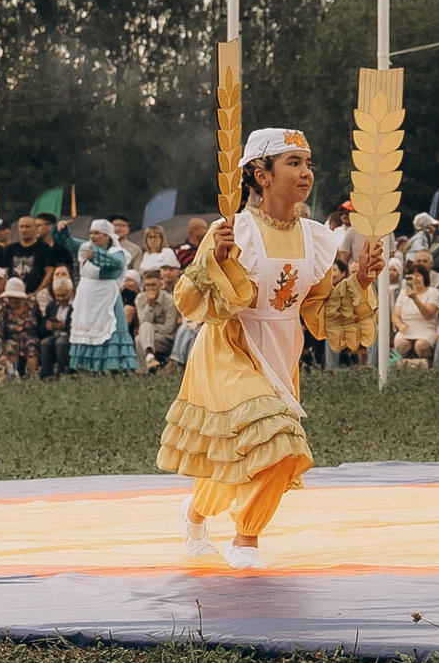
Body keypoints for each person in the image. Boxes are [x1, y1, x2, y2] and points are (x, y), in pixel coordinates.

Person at [160, 127, 380, 568]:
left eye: (308, 164)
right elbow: (191, 300)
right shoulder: (233, 230)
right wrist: (217, 260)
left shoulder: (317, 238)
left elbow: (318, 312)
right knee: (282, 442)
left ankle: (196, 513)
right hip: (229, 348)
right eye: (293, 163)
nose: (306, 173)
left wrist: (359, 281)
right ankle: (245, 541)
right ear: (261, 175)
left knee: (243, 451)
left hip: (281, 349)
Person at [67, 219, 141, 374]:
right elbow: (71, 243)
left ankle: (114, 367)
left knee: (110, 330)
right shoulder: (87, 247)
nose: (92, 236)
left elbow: (115, 264)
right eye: (91, 233)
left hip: (107, 297)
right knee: (88, 330)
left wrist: (96, 255)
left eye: (97, 233)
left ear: (107, 236)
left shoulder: (117, 252)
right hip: (87, 299)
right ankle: (88, 367)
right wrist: (63, 231)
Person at [0, 277, 44, 379]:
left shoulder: (32, 305)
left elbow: (41, 325)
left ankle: (34, 378)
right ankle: (13, 377)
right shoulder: (2, 308)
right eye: (10, 297)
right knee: (11, 347)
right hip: (11, 339)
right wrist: (0, 353)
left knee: (32, 347)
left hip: (30, 338)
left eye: (16, 297)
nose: (13, 300)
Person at [392, 256, 439, 368]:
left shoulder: (433, 292)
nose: (415, 278)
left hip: (425, 328)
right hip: (407, 327)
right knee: (401, 345)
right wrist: (400, 325)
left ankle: (425, 367)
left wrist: (415, 298)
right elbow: (395, 315)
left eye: (418, 275)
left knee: (421, 346)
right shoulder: (403, 293)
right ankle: (402, 367)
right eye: (412, 276)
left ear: (424, 277)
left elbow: (428, 314)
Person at [133, 267, 182, 371]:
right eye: (147, 285)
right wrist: (149, 304)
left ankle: (145, 365)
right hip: (150, 337)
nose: (150, 288)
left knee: (144, 330)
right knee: (138, 338)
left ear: (160, 285)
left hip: (166, 339)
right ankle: (149, 363)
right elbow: (142, 321)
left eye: (153, 285)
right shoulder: (140, 299)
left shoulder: (169, 300)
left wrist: (150, 328)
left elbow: (169, 328)